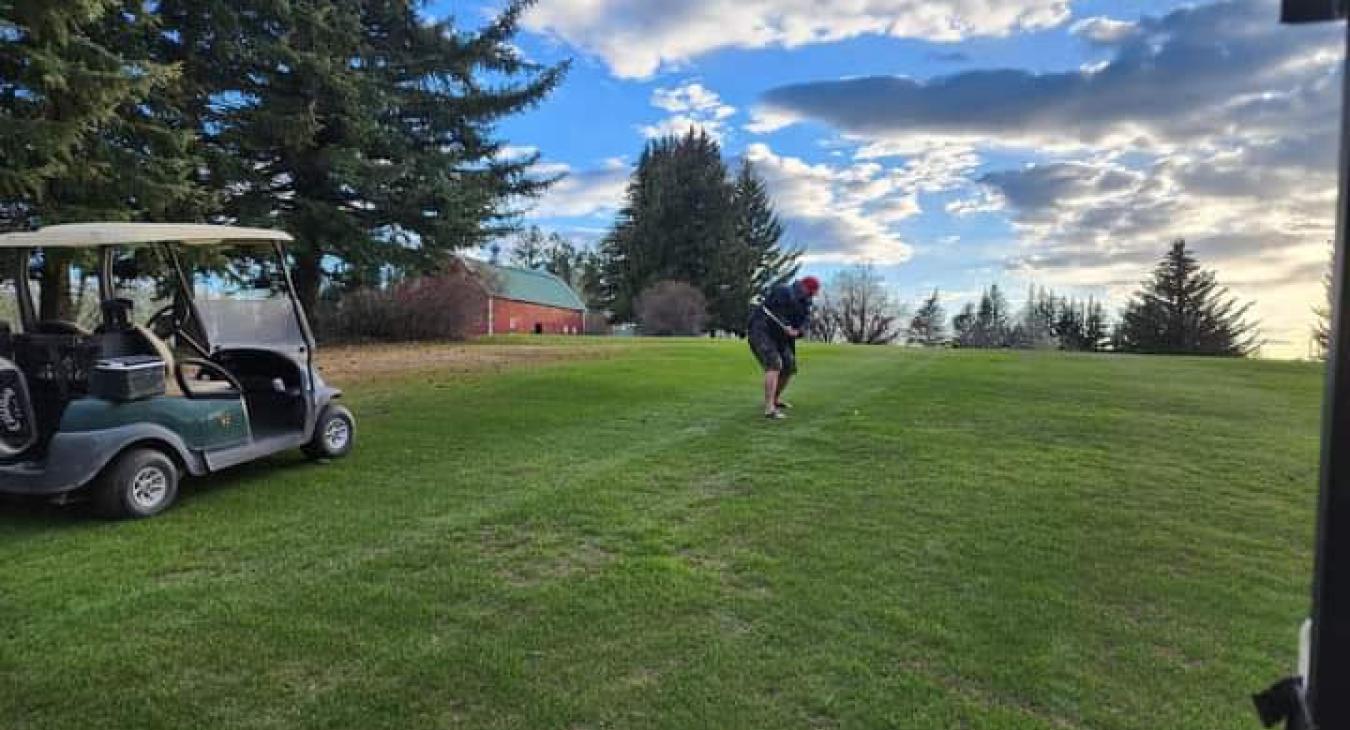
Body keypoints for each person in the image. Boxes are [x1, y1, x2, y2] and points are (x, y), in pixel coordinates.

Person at [747, 276, 820, 419]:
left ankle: (775, 399)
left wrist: (798, 331)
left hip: (781, 337)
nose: (811, 295)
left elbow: (805, 320)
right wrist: (785, 324)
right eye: (811, 292)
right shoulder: (782, 291)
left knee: (789, 366)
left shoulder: (806, 302)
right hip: (761, 331)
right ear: (804, 288)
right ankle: (769, 408)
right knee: (775, 364)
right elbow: (775, 312)